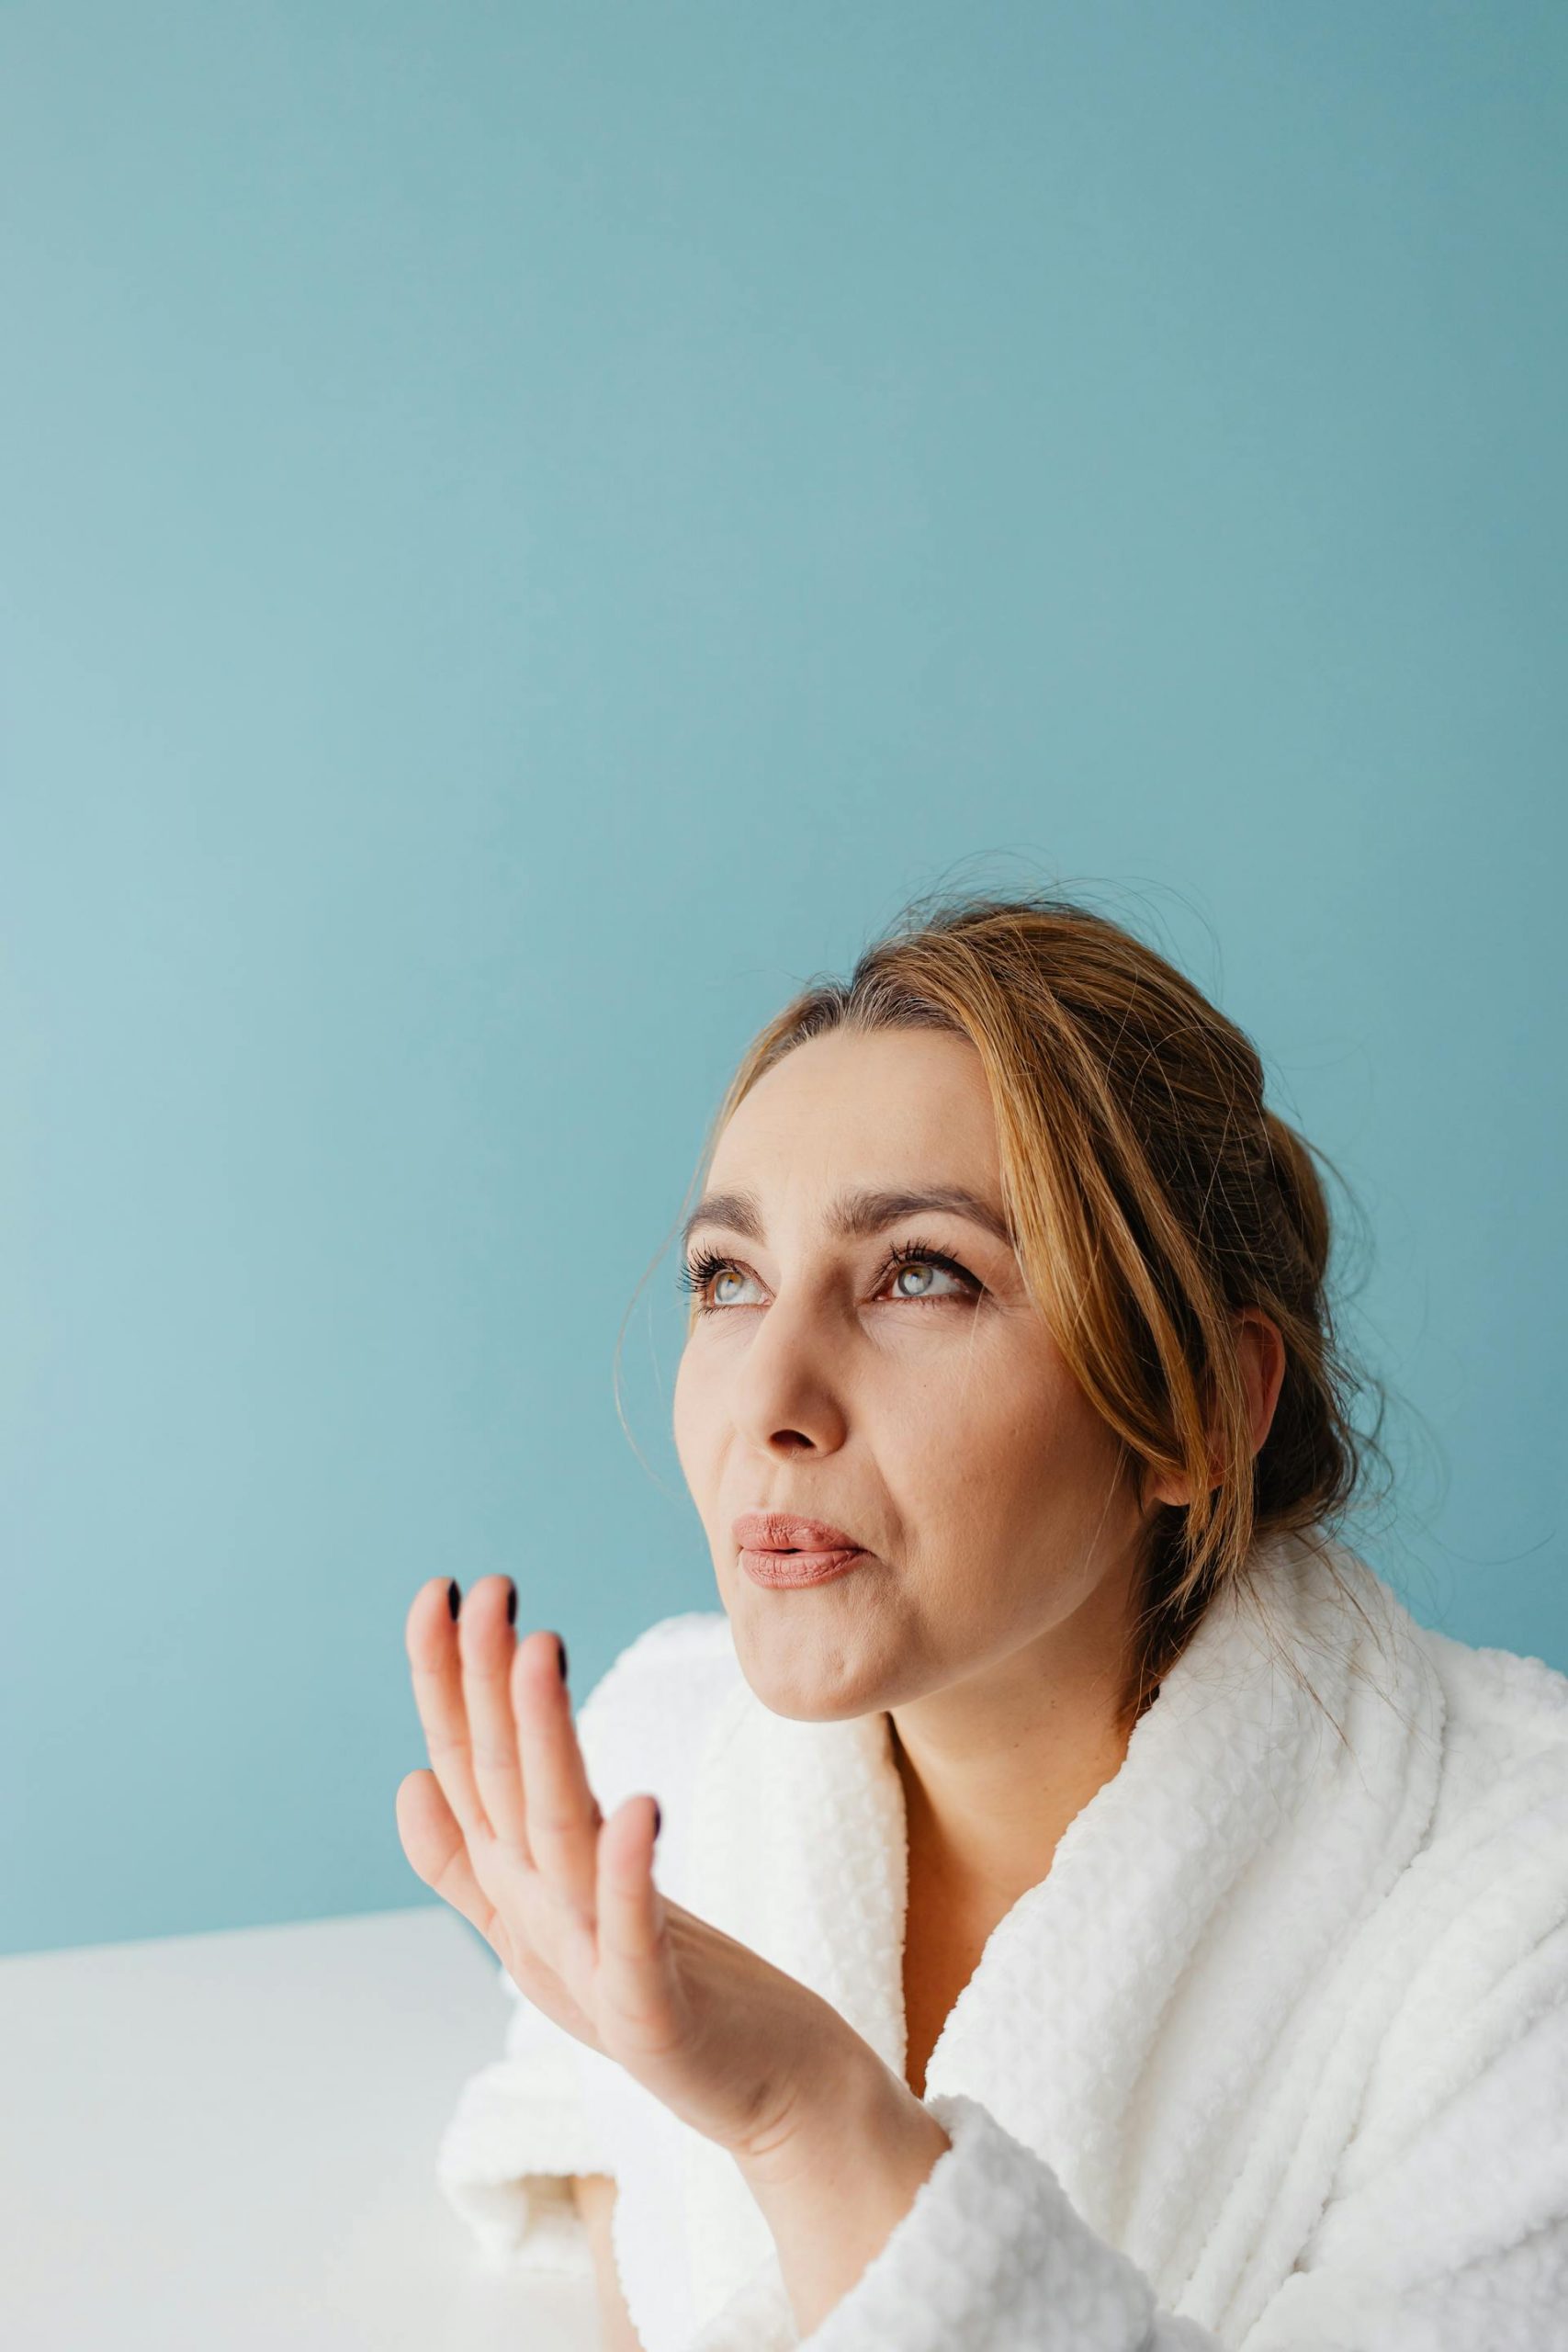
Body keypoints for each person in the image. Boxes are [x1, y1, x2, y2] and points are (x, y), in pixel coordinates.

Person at [398, 889, 1568, 2351]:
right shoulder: (661, 1763)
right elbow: (602, 2172)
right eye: (729, 1279)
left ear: (1202, 1409)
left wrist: (809, 2119)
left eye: (922, 1275)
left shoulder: (1523, 1920)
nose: (768, 1402)